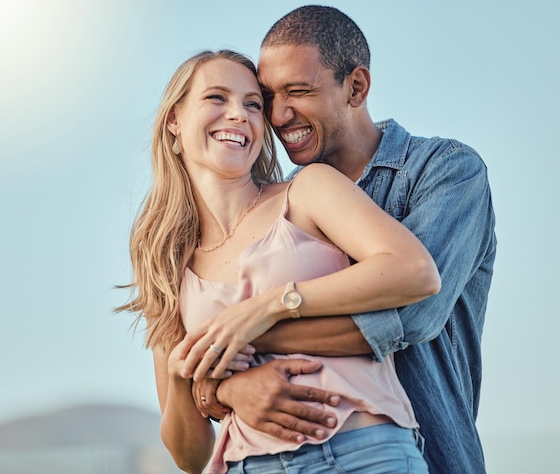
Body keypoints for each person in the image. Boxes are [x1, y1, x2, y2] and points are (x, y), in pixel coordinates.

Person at [195, 5, 497, 474]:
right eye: (268, 95)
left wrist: (241, 333)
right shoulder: (282, 208)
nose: (278, 114)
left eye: (299, 91)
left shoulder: (447, 171)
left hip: (428, 454)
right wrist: (227, 385)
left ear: (356, 87)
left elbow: (409, 317)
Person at [118, 49, 441, 474]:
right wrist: (186, 379)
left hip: (361, 452)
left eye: (252, 104)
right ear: (174, 120)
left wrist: (269, 306)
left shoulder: (309, 190)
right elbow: (190, 458)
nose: (238, 114)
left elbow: (415, 271)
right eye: (217, 98)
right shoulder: (166, 264)